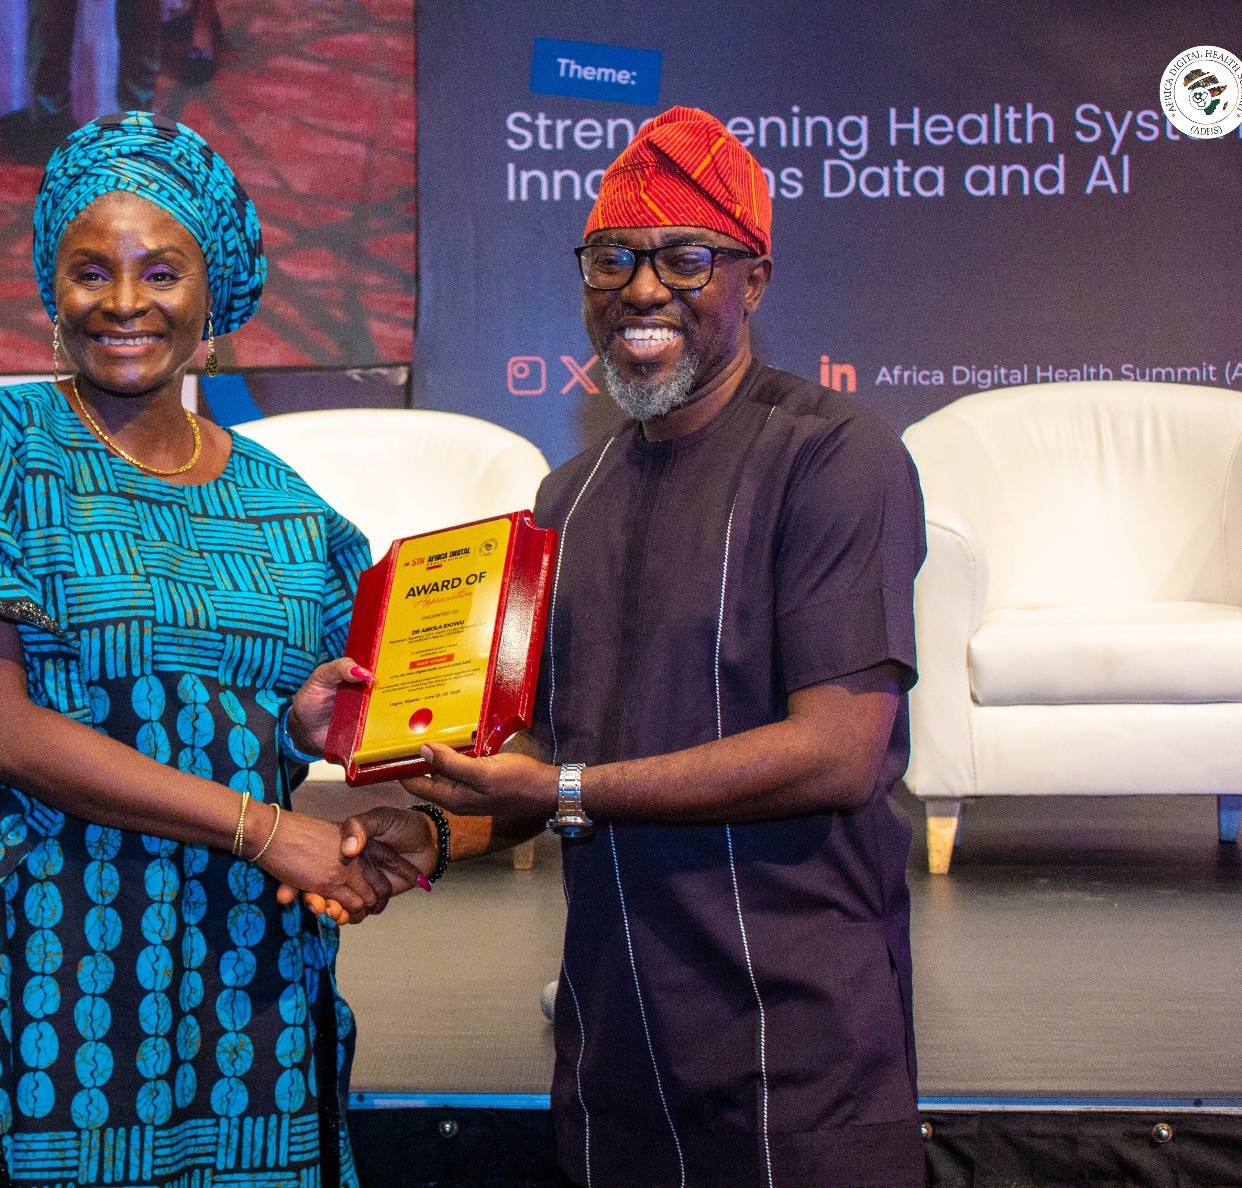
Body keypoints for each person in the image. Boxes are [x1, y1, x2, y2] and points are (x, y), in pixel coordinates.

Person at [351, 107, 928, 1186]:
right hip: (614, 1046)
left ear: (752, 280)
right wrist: (428, 835)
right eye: (613, 258)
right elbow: (541, 754)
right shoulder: (568, 498)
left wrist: (566, 787)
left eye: (685, 258)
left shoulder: (838, 458)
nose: (643, 289)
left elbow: (840, 751)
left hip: (797, 1050)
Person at [0, 112, 429, 1188]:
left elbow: (318, 711)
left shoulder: (283, 504)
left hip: (246, 970)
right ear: (52, 288)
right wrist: (269, 830)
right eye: (91, 271)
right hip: (50, 964)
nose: (124, 302)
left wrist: (303, 723)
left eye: (161, 271)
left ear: (215, 294)